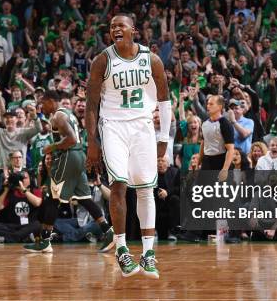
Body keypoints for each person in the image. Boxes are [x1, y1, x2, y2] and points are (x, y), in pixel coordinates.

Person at [86, 14, 170, 278]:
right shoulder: (102, 60)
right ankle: (121, 249)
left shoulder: (151, 60)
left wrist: (164, 138)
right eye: (111, 27)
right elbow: (91, 105)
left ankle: (148, 254)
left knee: (146, 189)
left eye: (120, 25)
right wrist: (91, 141)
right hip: (113, 126)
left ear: (133, 30)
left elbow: (165, 101)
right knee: (118, 185)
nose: (115, 30)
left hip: (143, 127)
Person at [24, 90, 114, 253]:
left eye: (42, 103)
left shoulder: (59, 115)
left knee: (53, 198)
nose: (40, 107)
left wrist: (51, 147)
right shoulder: (68, 114)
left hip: (69, 156)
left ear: (51, 101)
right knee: (84, 198)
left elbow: (71, 139)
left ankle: (44, 240)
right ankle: (108, 231)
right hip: (78, 156)